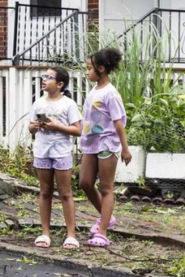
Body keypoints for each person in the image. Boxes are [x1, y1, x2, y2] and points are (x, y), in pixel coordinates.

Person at [79, 47, 132, 248]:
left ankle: (102, 232)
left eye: (90, 68)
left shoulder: (111, 94)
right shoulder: (95, 90)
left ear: (101, 69)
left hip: (107, 143)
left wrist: (125, 149)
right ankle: (106, 217)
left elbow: (118, 123)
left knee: (106, 187)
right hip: (91, 143)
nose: (87, 72)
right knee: (85, 182)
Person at [29, 67, 83, 250]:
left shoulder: (69, 104)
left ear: (60, 84)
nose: (43, 79)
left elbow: (78, 130)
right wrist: (36, 125)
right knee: (44, 191)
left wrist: (56, 126)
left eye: (48, 77)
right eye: (43, 76)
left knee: (65, 193)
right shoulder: (38, 103)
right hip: (42, 151)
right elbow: (30, 127)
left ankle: (71, 235)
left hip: (61, 152)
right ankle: (45, 233)